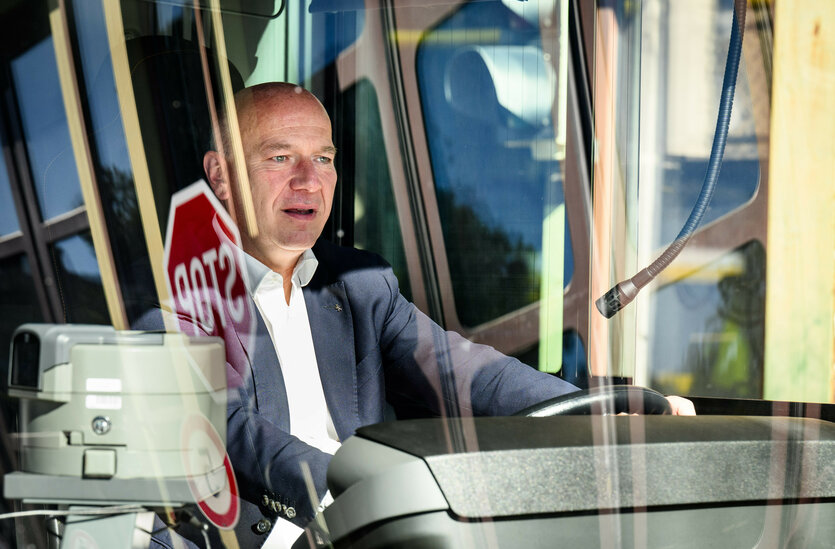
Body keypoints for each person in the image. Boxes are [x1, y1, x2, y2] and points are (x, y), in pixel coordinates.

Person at [156, 82, 694, 549]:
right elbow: (225, 429)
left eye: (323, 158)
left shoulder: (361, 285)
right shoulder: (176, 291)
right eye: (280, 158)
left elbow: (468, 372)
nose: (309, 180)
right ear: (221, 176)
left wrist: (591, 421)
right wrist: (358, 490)